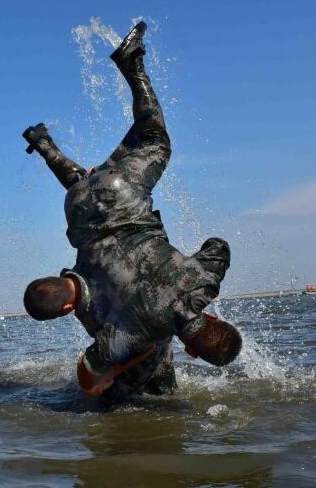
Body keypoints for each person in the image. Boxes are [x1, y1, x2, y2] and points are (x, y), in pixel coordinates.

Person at [21, 22, 241, 404]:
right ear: (192, 352)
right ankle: (44, 141)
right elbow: (90, 373)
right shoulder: (128, 334)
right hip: (78, 209)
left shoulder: (201, 280)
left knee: (155, 139)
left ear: (214, 318)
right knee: (85, 188)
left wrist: (200, 287)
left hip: (121, 198)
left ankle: (131, 65)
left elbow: (217, 245)